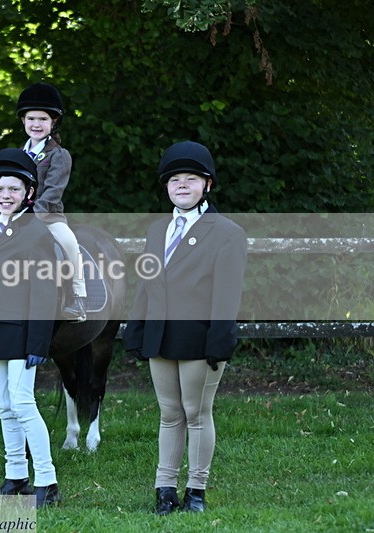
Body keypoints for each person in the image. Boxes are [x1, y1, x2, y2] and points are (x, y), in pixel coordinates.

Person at [124, 141, 247, 515]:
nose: (181, 185)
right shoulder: (157, 230)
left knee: (196, 412)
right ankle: (164, 489)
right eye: (174, 180)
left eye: (190, 179)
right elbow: (147, 283)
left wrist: (219, 340)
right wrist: (136, 328)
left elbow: (227, 294)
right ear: (166, 186)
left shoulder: (227, 232)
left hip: (200, 338)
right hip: (160, 336)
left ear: (207, 185)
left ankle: (196, 489)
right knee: (168, 413)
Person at [0, 148, 61, 507]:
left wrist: (38, 342)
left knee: (23, 404)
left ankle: (47, 481)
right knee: (2, 405)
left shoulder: (36, 231)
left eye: (13, 189)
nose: (5, 195)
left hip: (24, 331)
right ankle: (16, 476)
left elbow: (44, 290)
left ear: (28, 193)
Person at [15, 82, 87, 322]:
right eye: (31, 118)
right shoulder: (17, 155)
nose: (36, 124)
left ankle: (77, 297)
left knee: (69, 243)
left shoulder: (59, 155)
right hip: (13, 216)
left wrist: (32, 215)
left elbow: (53, 191)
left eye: (43, 119)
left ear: (53, 122)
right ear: (23, 121)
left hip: (48, 217)